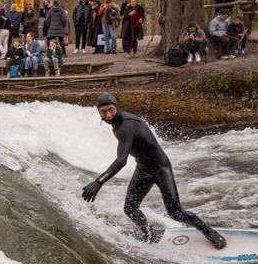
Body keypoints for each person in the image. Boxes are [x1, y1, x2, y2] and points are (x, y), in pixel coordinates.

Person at [82, 94, 226, 249]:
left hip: (160, 168)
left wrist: (99, 181)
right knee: (130, 208)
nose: (108, 115)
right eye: (103, 112)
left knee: (175, 212)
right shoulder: (117, 124)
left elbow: (121, 160)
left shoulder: (126, 125)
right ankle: (150, 233)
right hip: (143, 168)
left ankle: (209, 232)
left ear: (118, 106)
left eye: (111, 110)